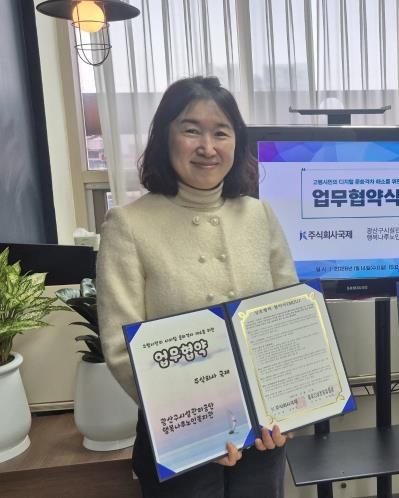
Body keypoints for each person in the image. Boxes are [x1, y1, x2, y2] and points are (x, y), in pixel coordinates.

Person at [97, 76, 298, 497]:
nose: (207, 147)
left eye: (221, 132)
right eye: (191, 130)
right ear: (164, 138)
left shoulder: (259, 216)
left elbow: (289, 321)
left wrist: (286, 407)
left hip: (262, 433)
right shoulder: (129, 225)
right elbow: (120, 347)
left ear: (236, 142)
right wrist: (200, 428)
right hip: (178, 439)